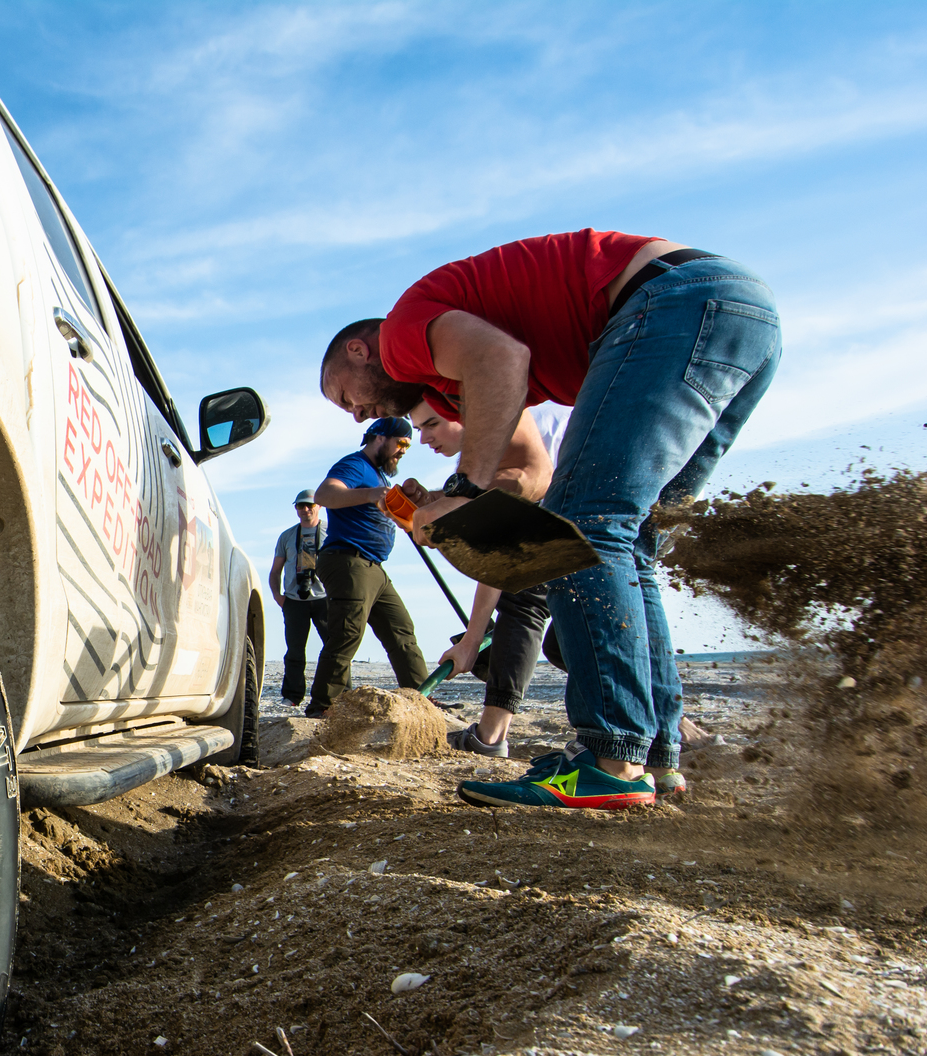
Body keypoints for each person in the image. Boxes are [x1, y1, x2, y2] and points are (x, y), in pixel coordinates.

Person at [319, 231, 780, 810]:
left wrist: (466, 489)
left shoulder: (403, 333)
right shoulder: (456, 383)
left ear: (360, 352)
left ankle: (614, 761)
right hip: (738, 316)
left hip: (672, 301)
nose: (358, 413)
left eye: (344, 396)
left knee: (591, 526)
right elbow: (532, 473)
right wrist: (452, 504)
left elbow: (501, 359)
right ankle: (657, 758)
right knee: (632, 545)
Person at [405, 403, 554, 760]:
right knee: (563, 644)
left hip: (618, 489)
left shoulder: (504, 439)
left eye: (432, 424)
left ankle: (489, 737)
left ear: (461, 410)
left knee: (523, 602)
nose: (423, 439)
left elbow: (499, 561)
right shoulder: (483, 454)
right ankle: (670, 729)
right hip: (568, 495)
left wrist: (473, 640)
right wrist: (434, 502)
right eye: (418, 429)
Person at [305, 416, 430, 716]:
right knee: (347, 633)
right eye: (400, 443)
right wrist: (371, 494)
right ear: (379, 438)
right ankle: (323, 707)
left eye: (408, 447)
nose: (403, 451)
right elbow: (324, 494)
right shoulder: (355, 465)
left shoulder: (380, 475)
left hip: (374, 567)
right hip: (348, 560)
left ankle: (421, 699)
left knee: (401, 631)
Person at [268, 490, 330, 707]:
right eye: (300, 506)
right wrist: (278, 597)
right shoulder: (286, 536)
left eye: (309, 505)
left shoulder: (331, 532)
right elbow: (275, 570)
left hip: (325, 598)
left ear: (319, 506)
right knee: (294, 651)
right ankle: (293, 696)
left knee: (335, 648)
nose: (305, 510)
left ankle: (339, 694)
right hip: (294, 601)